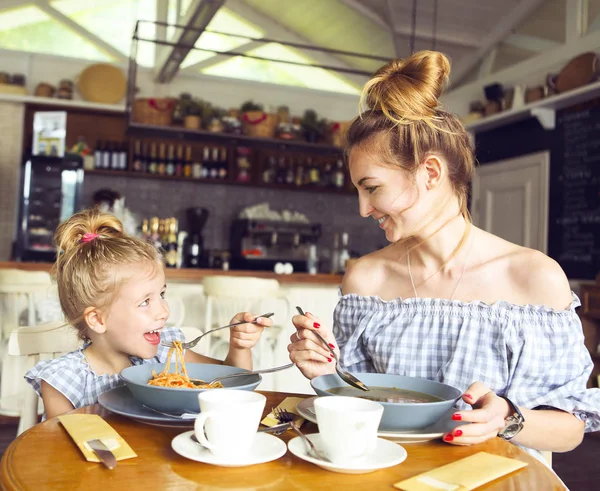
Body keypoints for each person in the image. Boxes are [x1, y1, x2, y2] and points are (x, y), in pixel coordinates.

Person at [287, 50, 600, 457]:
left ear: (430, 172)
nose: (363, 209)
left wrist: (507, 417)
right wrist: (326, 373)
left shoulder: (535, 278)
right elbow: (359, 405)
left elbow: (571, 428)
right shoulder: (366, 280)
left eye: (373, 187)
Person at [25, 208, 272, 420]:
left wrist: (239, 347)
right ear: (98, 320)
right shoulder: (64, 381)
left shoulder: (166, 355)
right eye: (145, 302)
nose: (164, 312)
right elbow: (62, 452)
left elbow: (232, 383)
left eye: (161, 295)